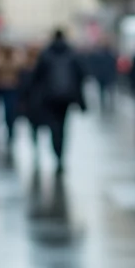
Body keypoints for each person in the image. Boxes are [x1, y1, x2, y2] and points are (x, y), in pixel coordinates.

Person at [31, 30, 88, 174]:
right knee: (63, 127)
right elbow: (81, 75)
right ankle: (60, 156)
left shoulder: (46, 54)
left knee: (53, 127)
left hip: (49, 97)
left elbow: (37, 77)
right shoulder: (71, 54)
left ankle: (56, 153)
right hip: (66, 97)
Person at [0, 43, 22, 149]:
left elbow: (20, 69)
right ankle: (2, 128)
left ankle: (10, 131)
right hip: (0, 88)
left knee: (10, 111)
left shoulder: (16, 58)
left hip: (11, 88)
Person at [92, 40, 119, 115]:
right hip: (108, 76)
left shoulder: (99, 55)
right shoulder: (112, 56)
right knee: (110, 91)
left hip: (103, 76)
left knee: (103, 92)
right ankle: (109, 105)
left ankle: (104, 104)